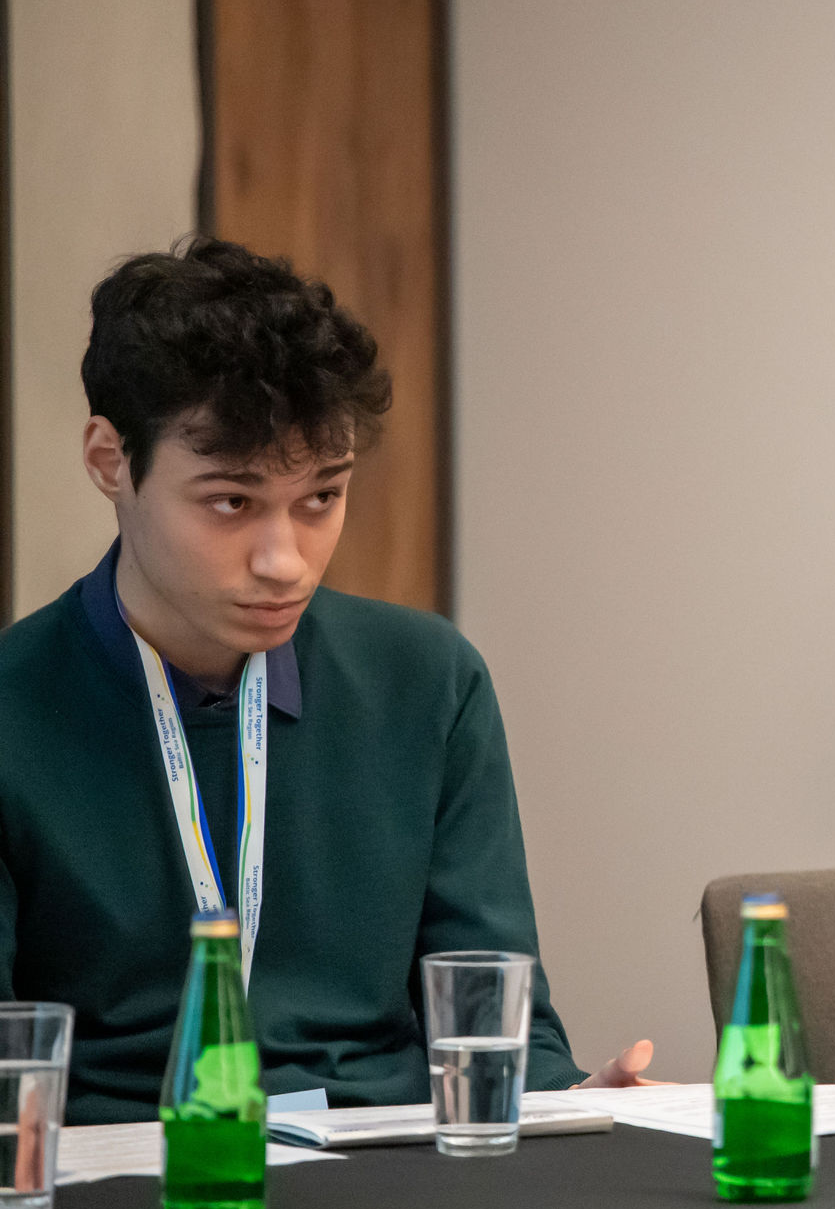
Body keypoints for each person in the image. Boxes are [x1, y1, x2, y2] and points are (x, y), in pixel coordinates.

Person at [0, 238, 655, 1123]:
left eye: (321, 498)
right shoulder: (17, 710)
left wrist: (571, 1099)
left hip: (378, 1159)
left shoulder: (427, 683)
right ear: (110, 460)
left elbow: (497, 1023)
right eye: (231, 502)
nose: (285, 560)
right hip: (121, 1164)